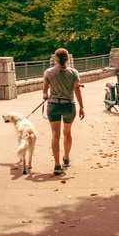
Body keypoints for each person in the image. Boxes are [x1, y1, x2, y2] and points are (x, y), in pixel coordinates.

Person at [42, 48, 85, 176]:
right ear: (67, 58)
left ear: (55, 58)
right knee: (67, 133)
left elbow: (44, 92)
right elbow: (77, 90)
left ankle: (56, 165)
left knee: (55, 135)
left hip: (54, 106)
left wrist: (46, 96)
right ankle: (66, 158)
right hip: (69, 106)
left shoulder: (48, 72)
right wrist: (81, 107)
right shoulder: (74, 72)